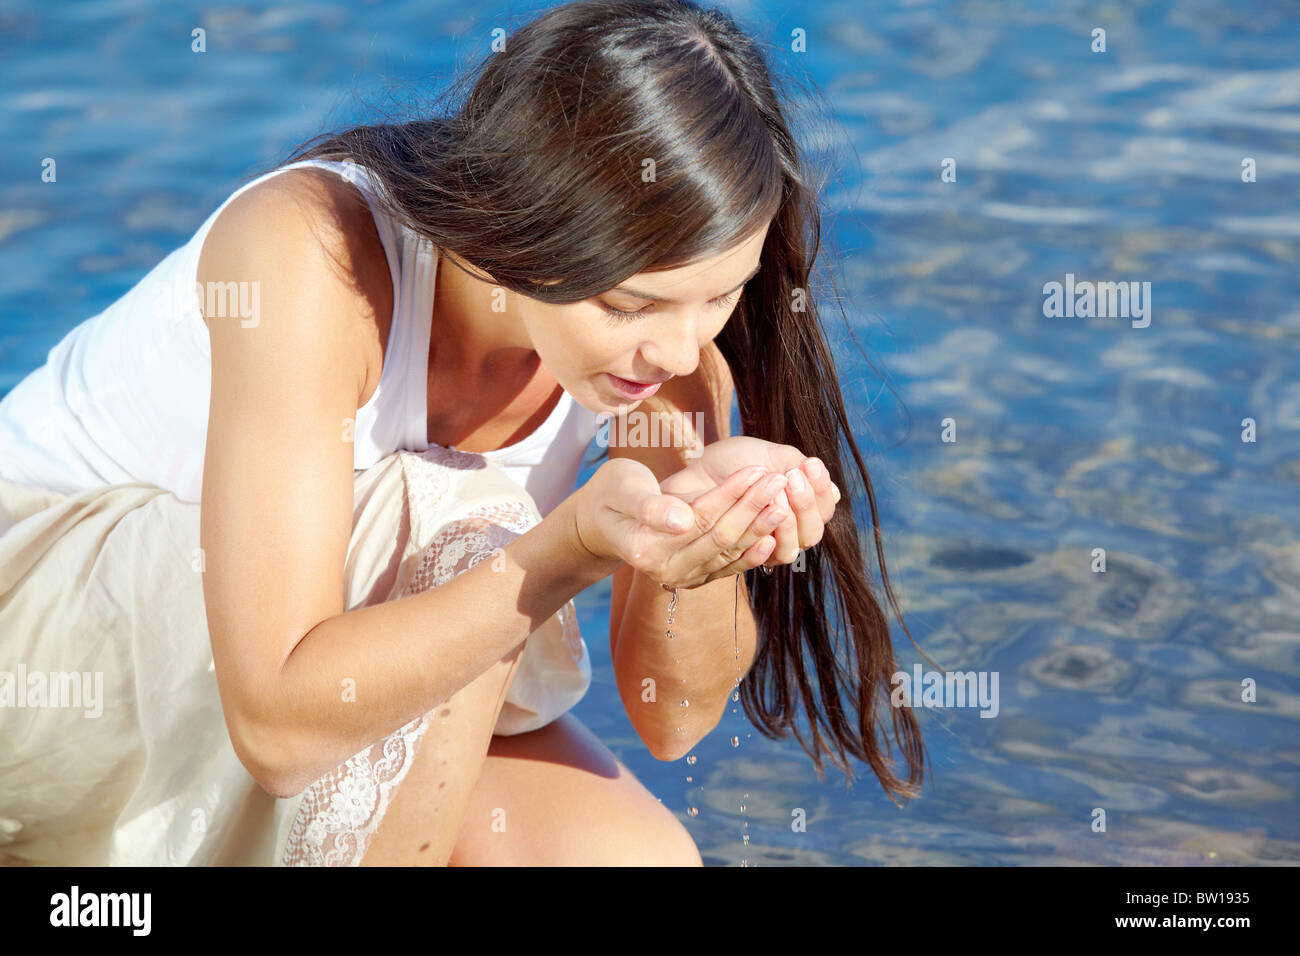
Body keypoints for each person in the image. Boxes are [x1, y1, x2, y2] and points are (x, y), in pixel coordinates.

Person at [0, 0, 926, 867]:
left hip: (250, 672)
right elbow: (278, 730)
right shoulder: (309, 254)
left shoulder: (671, 366)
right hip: (42, 630)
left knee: (635, 860)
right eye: (627, 302)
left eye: (720, 294)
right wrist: (566, 549)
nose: (682, 346)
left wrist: (714, 545)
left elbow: (672, 720)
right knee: (465, 520)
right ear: (520, 221)